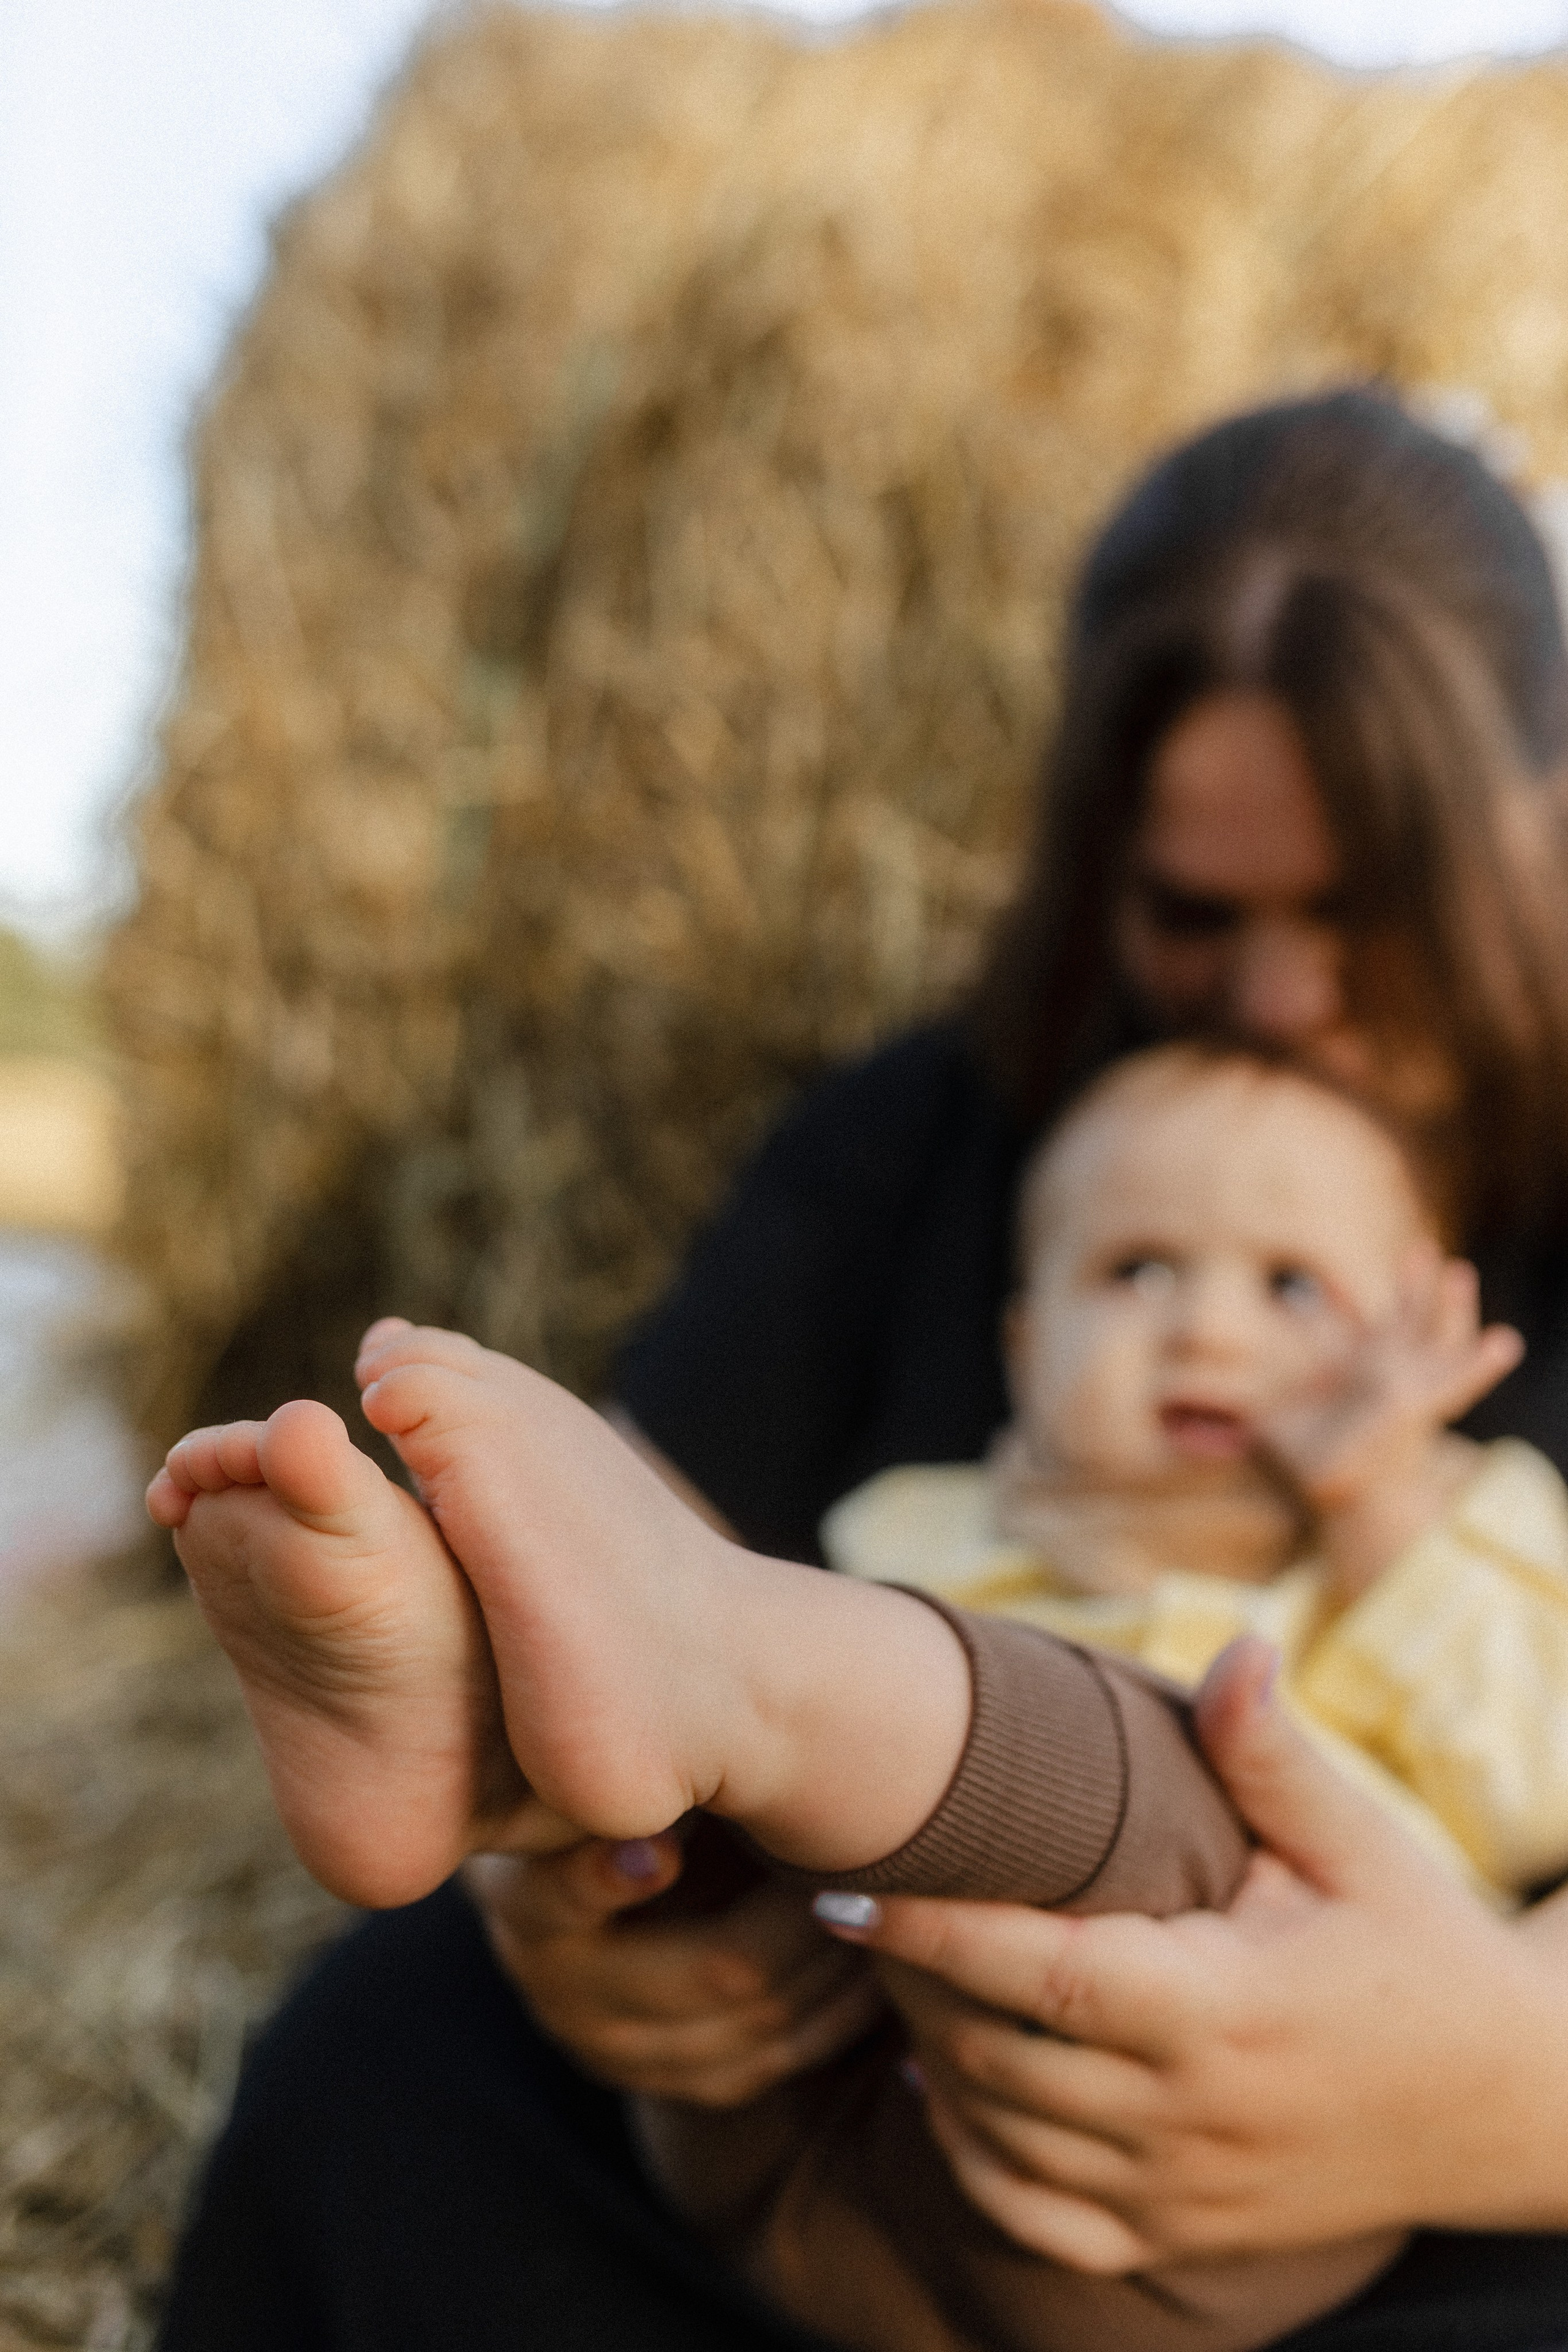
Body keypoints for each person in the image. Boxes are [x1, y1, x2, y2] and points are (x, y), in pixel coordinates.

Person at [157, 389, 1568, 2351]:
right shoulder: (931, 1139)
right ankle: (523, 1756)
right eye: (1194, 913)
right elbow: (658, 1514)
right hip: (866, 2120)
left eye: (1369, 912)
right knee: (383, 2069)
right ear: (1088, 859)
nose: (1281, 999)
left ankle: (698, 1675)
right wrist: (586, 1914)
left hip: (1386, 2193)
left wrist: (1506, 2091)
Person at [148, 1038, 1567, 2352]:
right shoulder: (922, 1531)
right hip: (800, 2146)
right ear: (1020, 1350)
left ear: (1421, 1344)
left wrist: (1380, 1511)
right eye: (1134, 1272)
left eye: (1290, 1288)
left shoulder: (1460, 1532)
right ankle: (492, 1747)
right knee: (742, 1792)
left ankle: (573, 1696)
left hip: (1190, 2210)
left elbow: (1527, 1781)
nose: (1202, 1329)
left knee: (1110, 1750)